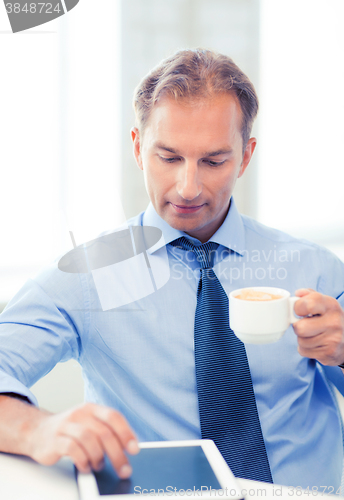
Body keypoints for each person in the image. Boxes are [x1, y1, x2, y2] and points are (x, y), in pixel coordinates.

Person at [1, 48, 344, 489]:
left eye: (214, 161)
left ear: (245, 156)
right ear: (138, 148)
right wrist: (35, 430)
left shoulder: (314, 270)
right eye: (169, 157)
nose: (187, 187)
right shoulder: (85, 277)